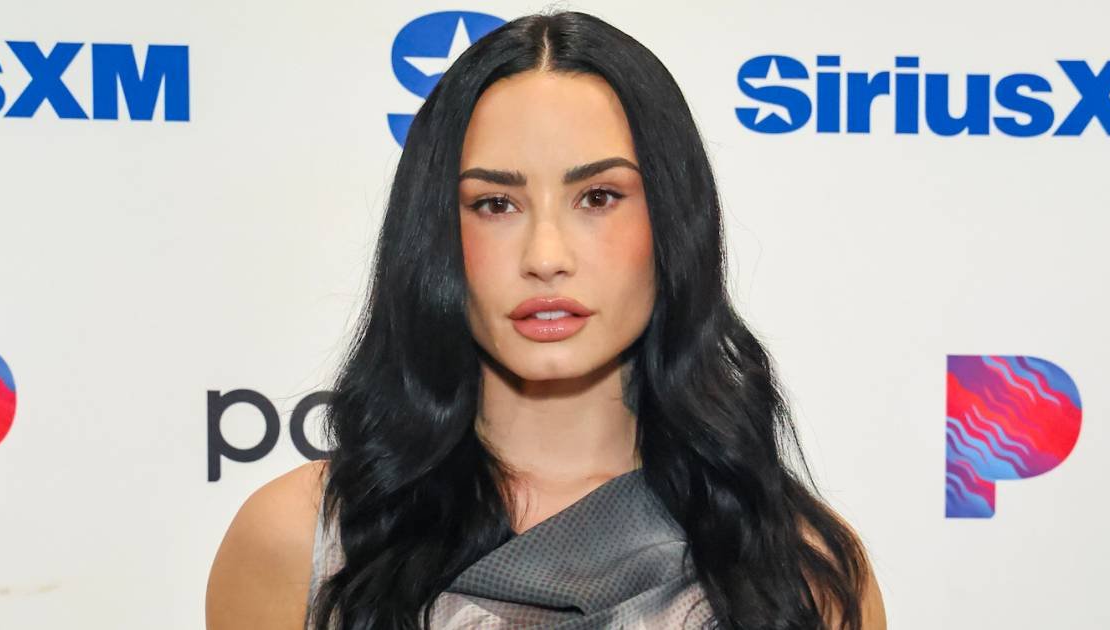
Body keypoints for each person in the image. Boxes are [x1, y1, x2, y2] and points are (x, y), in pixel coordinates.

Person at [206, 10, 886, 630]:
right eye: (495, 204)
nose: (546, 257)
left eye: (599, 196)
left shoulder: (799, 571)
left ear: (673, 222)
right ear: (436, 236)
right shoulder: (305, 544)